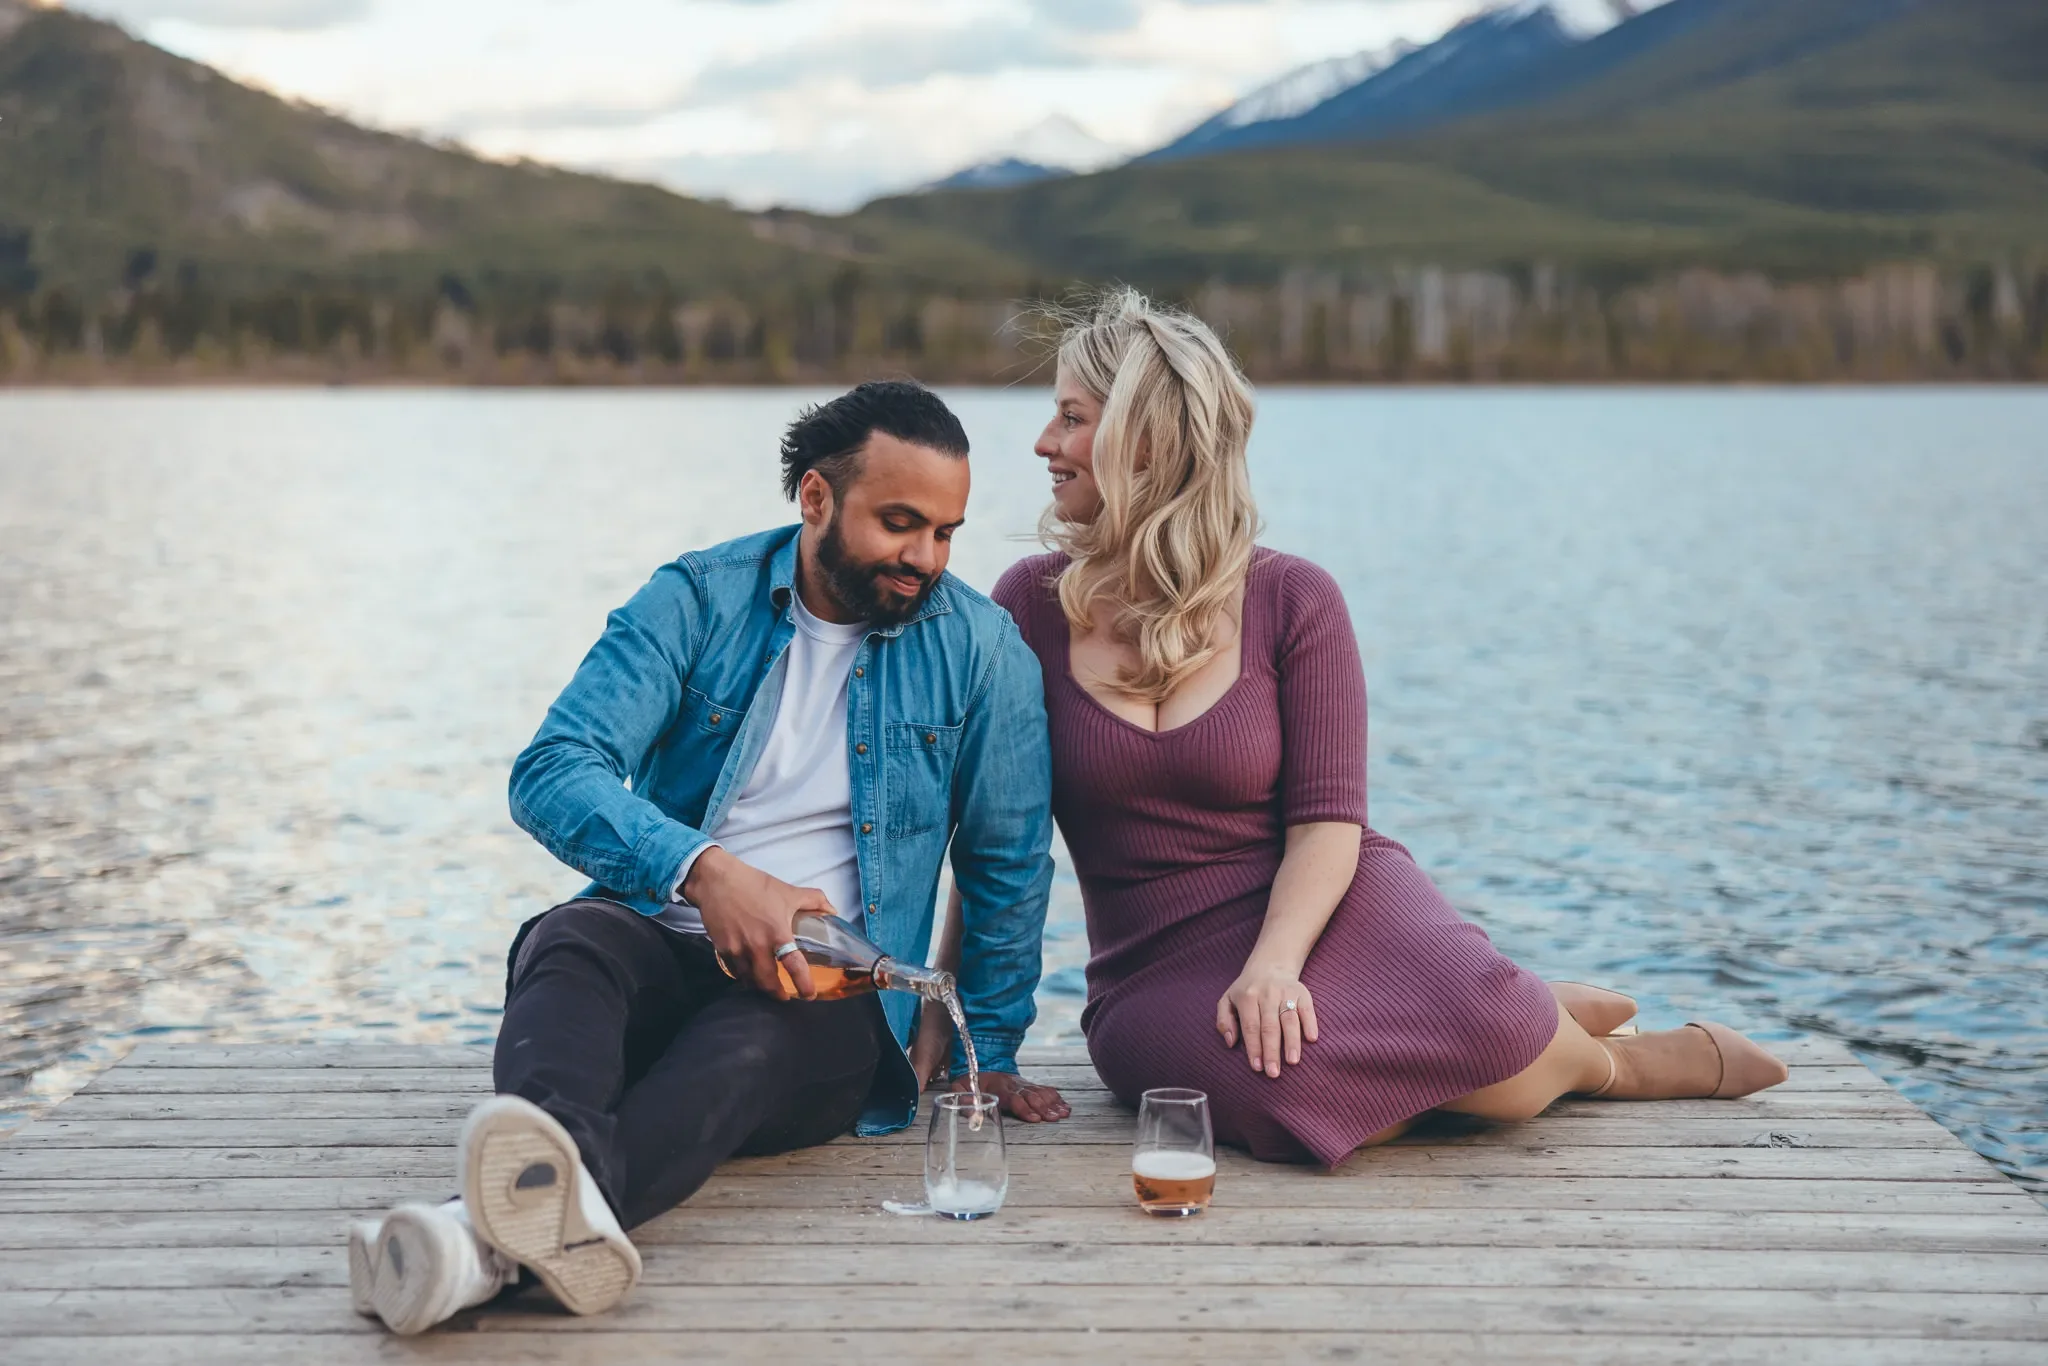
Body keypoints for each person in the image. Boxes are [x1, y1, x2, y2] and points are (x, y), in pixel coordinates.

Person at [926, 289, 1787, 1168]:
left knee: (1487, 1028)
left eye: (1071, 418)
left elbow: (1329, 822)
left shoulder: (1295, 598)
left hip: (1328, 904)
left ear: (1146, 437)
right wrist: (955, 1023)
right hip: (1153, 969)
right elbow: (997, 840)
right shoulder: (1028, 605)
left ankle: (1611, 1067)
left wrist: (1274, 965)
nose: (1043, 444)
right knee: (1281, 1094)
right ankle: (1536, 1015)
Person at [347, 380, 1071, 1336]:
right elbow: (553, 769)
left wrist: (996, 1045)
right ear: (816, 499)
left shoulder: (983, 650)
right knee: (571, 944)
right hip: (656, 937)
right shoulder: (695, 598)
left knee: (749, 1042)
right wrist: (707, 872)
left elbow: (1007, 863)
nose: (924, 559)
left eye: (945, 531)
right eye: (900, 524)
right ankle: (527, 1213)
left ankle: (474, 1239)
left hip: (824, 1002)